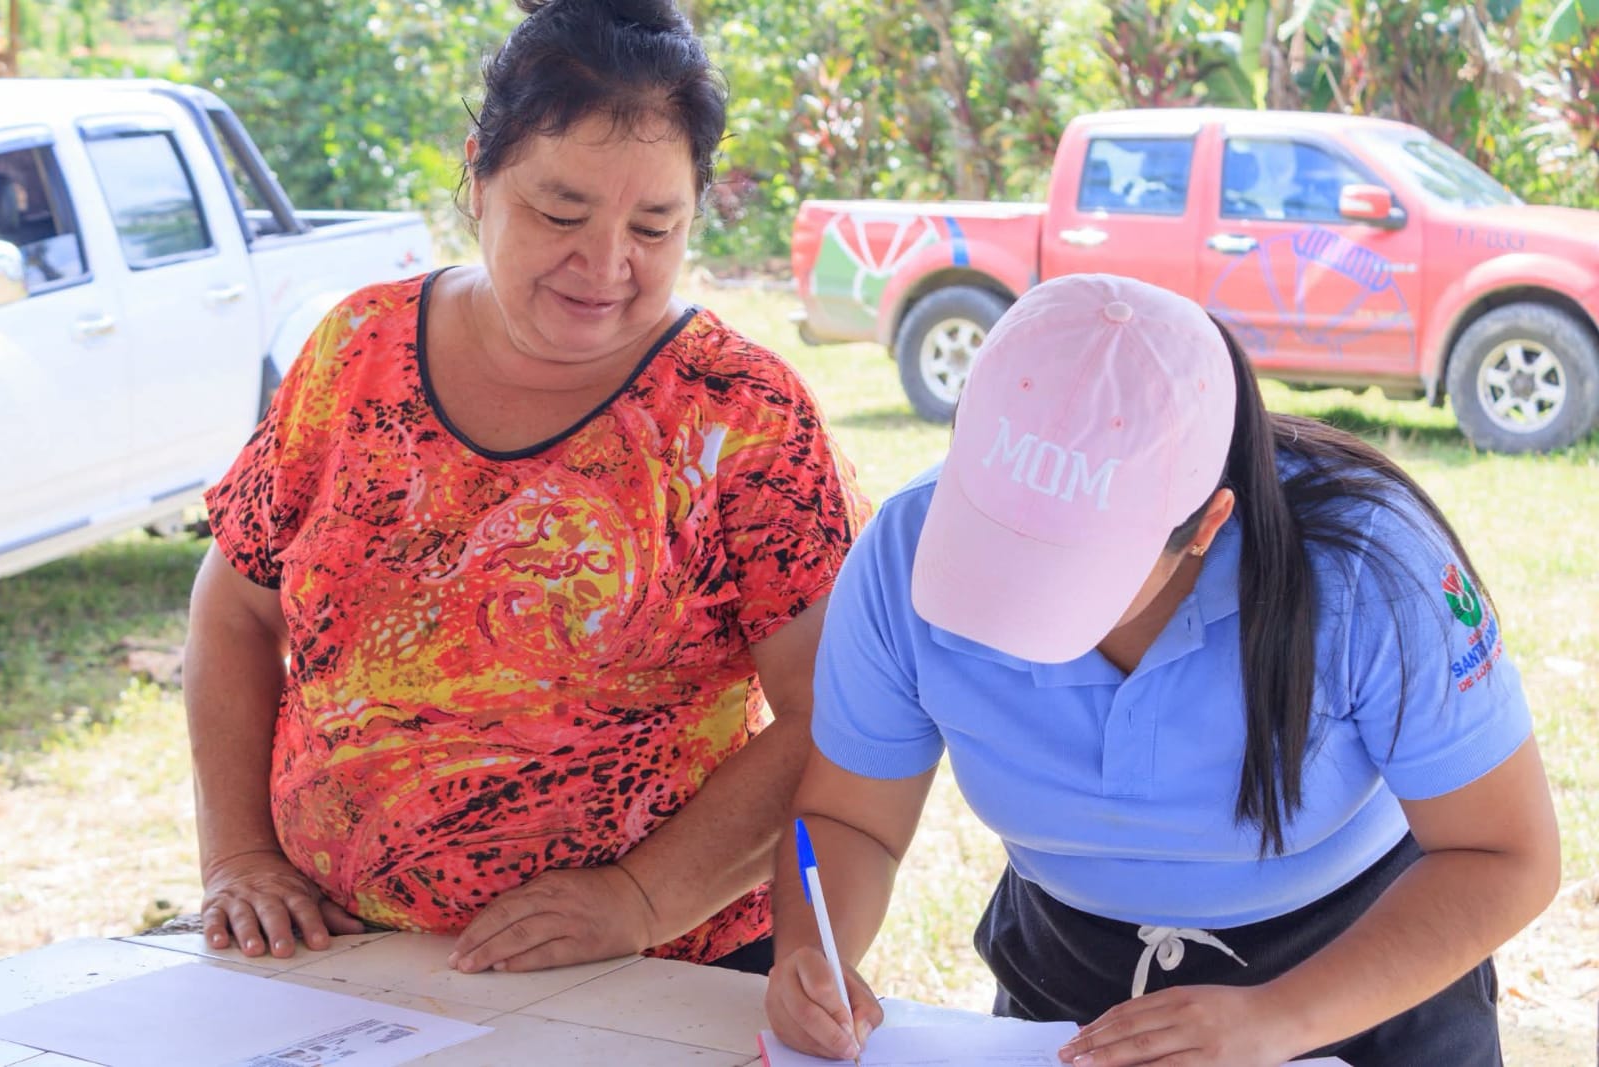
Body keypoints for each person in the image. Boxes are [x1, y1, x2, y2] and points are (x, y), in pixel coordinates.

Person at [184, 0, 866, 978]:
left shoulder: (741, 412)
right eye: (561, 213)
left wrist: (640, 898)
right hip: (343, 961)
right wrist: (239, 855)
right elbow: (235, 608)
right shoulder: (356, 351)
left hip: (652, 974)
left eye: (655, 225)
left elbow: (837, 709)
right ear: (479, 174)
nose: (606, 264)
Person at [765, 274, 1559, 1066]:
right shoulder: (902, 551)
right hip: (1067, 981)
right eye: (993, 532)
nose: (1016, 596)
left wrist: (1280, 1019)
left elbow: (1505, 854)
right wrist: (812, 953)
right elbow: (851, 819)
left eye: (1073, 568)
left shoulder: (1374, 567)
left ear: (1208, 523)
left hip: (1360, 975)